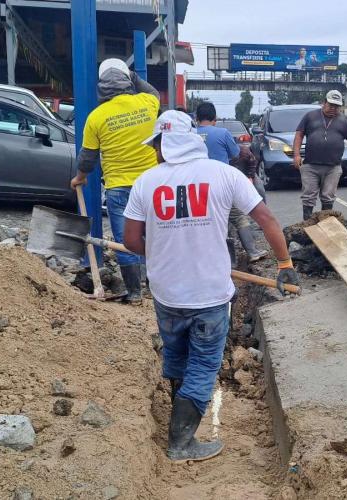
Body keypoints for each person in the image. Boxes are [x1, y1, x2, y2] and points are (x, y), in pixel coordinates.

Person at [122, 111, 299, 462]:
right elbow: (266, 220)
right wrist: (284, 263)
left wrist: (160, 249)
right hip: (210, 294)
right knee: (203, 365)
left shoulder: (146, 182)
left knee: (177, 355)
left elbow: (130, 240)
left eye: (156, 145)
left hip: (166, 292)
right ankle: (181, 442)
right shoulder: (225, 174)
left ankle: (178, 417)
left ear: (162, 144)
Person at [70, 58, 160, 304]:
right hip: (152, 185)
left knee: (126, 242)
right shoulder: (148, 103)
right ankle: (157, 289)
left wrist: (80, 178)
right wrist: (134, 77)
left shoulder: (96, 117)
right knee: (156, 236)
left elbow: (87, 158)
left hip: (119, 188)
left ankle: (134, 293)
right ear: (128, 81)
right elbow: (151, 90)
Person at [197, 102, 267, 262]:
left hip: (196, 186)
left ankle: (211, 258)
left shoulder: (190, 134)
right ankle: (252, 252)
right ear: (214, 118)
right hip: (220, 183)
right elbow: (235, 154)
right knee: (238, 217)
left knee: (208, 222)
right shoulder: (222, 133)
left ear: (197, 118)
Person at [293, 89, 347, 220]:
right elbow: (299, 134)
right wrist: (296, 155)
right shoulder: (310, 116)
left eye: (336, 106)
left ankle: (325, 226)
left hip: (333, 167)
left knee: (328, 196)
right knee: (308, 196)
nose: (333, 109)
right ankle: (308, 226)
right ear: (324, 103)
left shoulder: (345, 121)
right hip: (310, 166)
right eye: (331, 105)